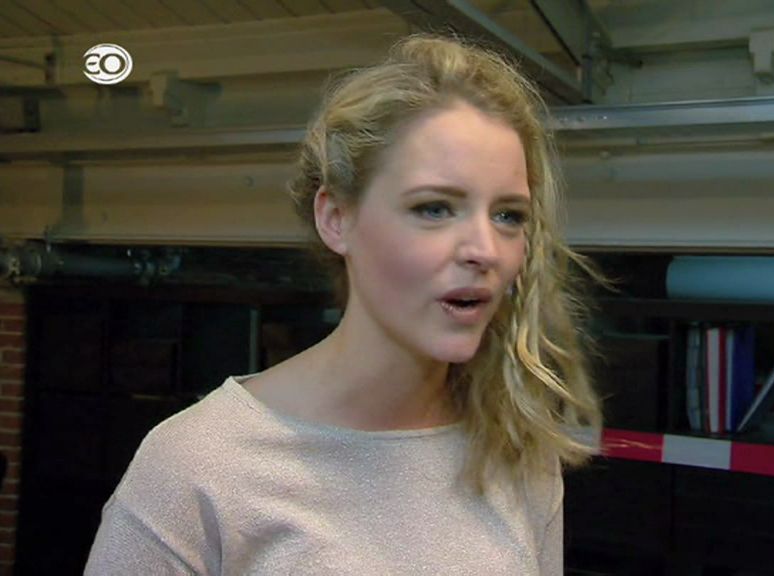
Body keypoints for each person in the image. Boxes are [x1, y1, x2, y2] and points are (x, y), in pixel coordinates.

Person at [85, 33, 612, 575]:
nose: (485, 250)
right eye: (434, 208)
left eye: (508, 216)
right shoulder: (197, 467)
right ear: (336, 219)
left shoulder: (519, 455)